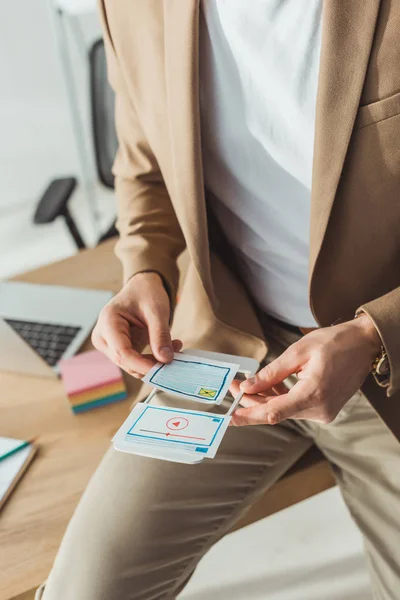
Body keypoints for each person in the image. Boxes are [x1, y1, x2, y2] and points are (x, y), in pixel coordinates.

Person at [37, 1, 400, 598]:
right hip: (229, 347)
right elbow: (146, 166)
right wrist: (146, 267)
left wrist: (375, 335)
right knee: (85, 589)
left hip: (385, 361)